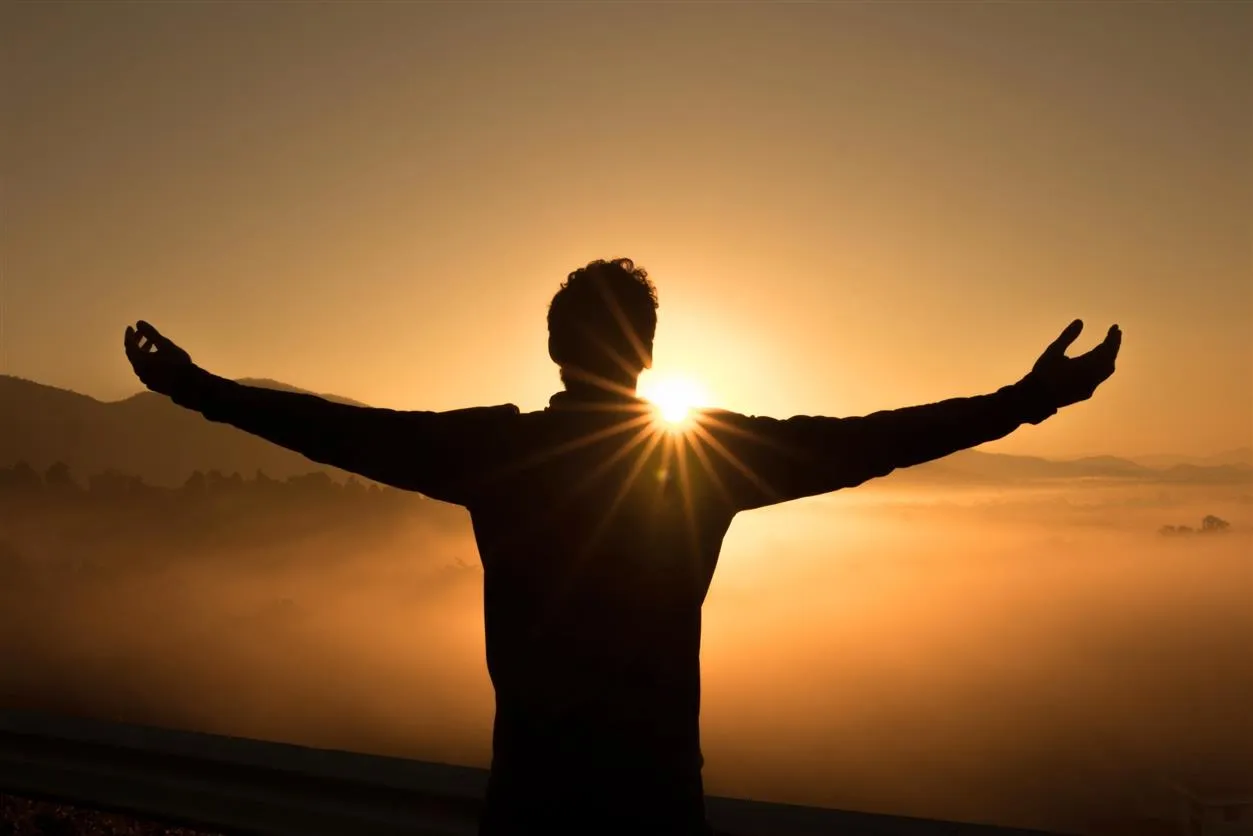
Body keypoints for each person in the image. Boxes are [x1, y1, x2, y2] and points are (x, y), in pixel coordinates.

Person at [124, 257, 1121, 835]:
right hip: (654, 804)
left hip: (530, 799)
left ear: (556, 349)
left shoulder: (500, 451)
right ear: (645, 352)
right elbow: (870, 440)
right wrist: (1025, 402)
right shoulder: (704, 460)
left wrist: (196, 388)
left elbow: (344, 430)